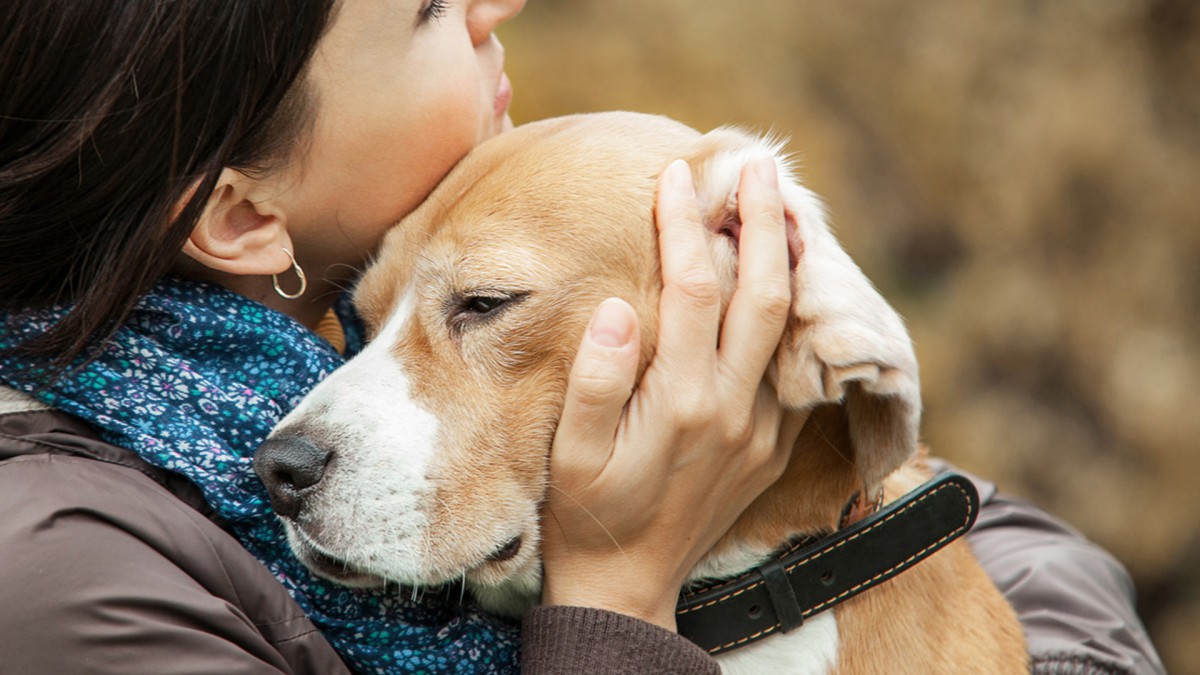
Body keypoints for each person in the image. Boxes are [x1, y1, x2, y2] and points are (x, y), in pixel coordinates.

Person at [0, 1, 1165, 674]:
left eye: (477, 306)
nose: (496, 2)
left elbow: (1003, 544)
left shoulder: (333, 328)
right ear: (245, 214)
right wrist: (618, 583)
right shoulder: (64, 575)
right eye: (423, 12)